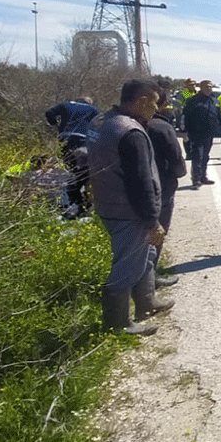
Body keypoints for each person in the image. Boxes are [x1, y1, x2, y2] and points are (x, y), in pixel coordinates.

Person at [88, 79, 173, 335]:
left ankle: (147, 301)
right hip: (128, 211)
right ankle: (118, 323)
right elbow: (141, 182)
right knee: (127, 264)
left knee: (145, 254)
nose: (156, 110)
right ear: (144, 99)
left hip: (107, 202)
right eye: (155, 103)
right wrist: (152, 221)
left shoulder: (102, 122)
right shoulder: (130, 132)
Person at [146, 89, 187, 287]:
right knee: (158, 230)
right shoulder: (162, 127)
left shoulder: (129, 123)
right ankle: (149, 277)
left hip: (134, 187)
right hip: (162, 186)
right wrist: (180, 173)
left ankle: (140, 277)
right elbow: (176, 158)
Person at [44, 96, 99, 214]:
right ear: (89, 103)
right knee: (83, 174)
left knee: (69, 170)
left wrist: (55, 125)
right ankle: (81, 204)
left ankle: (69, 202)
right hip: (84, 143)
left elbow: (49, 112)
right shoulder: (93, 110)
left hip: (66, 141)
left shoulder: (65, 105)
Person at [182, 79, 221, 186]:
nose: (209, 88)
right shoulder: (193, 101)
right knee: (198, 156)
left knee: (205, 156)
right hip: (196, 133)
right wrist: (183, 131)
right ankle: (196, 179)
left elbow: (220, 117)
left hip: (209, 133)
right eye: (206, 87)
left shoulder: (215, 101)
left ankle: (203, 177)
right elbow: (185, 116)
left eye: (210, 86)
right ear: (201, 88)